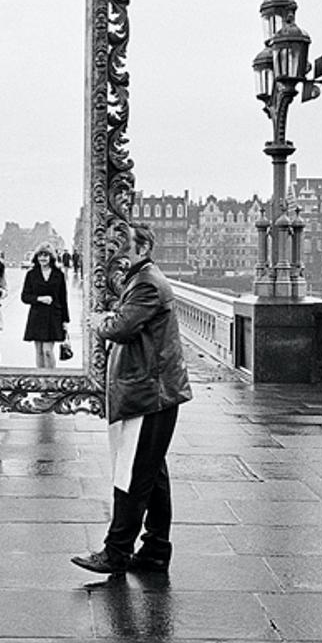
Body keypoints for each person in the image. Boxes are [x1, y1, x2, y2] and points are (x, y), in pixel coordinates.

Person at [72, 222, 194, 575]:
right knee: (152, 476)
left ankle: (116, 552)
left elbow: (122, 328)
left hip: (149, 394)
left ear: (143, 248)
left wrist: (99, 321)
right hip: (156, 393)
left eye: (124, 247)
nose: (118, 254)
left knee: (133, 477)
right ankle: (156, 549)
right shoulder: (144, 278)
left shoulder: (146, 284)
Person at [20, 241, 69, 368]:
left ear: (51, 257)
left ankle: (51, 380)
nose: (43, 258)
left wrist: (65, 321)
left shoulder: (59, 274)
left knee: (47, 351)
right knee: (39, 351)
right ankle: (41, 382)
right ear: (36, 257)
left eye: (46, 255)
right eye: (40, 255)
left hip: (54, 316)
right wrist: (39, 299)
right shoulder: (31, 274)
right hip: (37, 316)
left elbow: (63, 298)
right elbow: (25, 296)